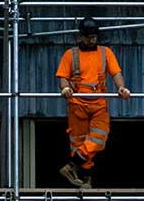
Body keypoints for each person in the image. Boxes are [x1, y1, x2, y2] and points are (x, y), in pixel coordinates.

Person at [55, 17, 131, 188]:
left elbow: (116, 73)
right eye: (87, 37)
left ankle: (71, 166)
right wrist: (65, 89)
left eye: (93, 37)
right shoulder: (70, 54)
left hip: (99, 104)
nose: (90, 40)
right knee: (78, 142)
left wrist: (121, 88)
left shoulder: (105, 53)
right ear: (80, 36)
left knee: (99, 138)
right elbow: (63, 77)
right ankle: (85, 180)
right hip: (77, 104)